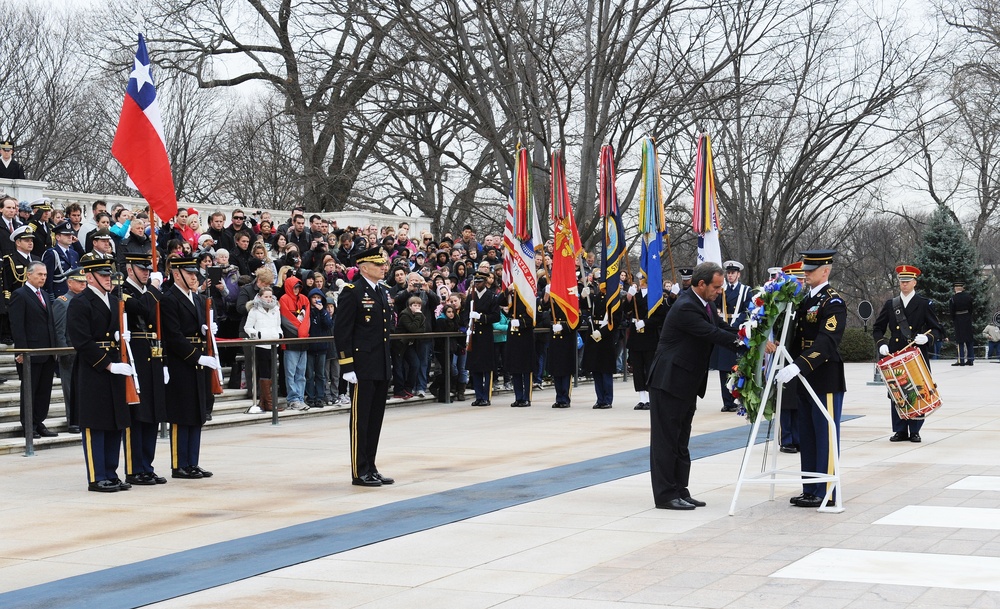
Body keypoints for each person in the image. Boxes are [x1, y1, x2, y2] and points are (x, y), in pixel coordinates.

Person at [647, 262, 740, 510]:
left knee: (680, 440)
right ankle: (666, 495)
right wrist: (747, 345)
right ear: (701, 284)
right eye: (716, 287)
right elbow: (712, 334)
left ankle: (680, 489)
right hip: (669, 382)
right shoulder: (686, 307)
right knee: (666, 441)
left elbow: (722, 327)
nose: (719, 291)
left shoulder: (704, 304)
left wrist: (748, 333)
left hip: (685, 383)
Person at [772, 249, 847, 509]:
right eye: (805, 270)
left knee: (824, 433)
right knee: (807, 433)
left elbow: (827, 341)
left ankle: (826, 490)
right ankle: (810, 488)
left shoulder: (833, 302)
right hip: (803, 375)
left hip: (823, 375)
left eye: (811, 270)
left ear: (825, 271)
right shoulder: (804, 299)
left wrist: (800, 365)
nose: (806, 274)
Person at [67, 255, 133, 492]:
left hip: (115, 366)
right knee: (96, 424)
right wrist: (108, 364)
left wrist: (122, 339)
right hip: (94, 369)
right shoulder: (80, 302)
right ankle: (97, 477)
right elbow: (81, 341)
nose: (109, 280)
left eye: (110, 276)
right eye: (104, 275)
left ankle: (111, 473)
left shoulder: (114, 301)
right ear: (89, 276)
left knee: (115, 421)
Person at [335, 246, 394, 487]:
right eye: (378, 264)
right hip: (361, 366)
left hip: (379, 364)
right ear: (363, 267)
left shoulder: (380, 291)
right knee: (361, 421)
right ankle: (360, 471)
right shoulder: (352, 291)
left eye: (383, 264)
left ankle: (371, 465)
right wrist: (347, 364)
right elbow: (341, 330)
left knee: (375, 419)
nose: (383, 267)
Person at [160, 256, 220, 480]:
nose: (195, 277)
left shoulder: (197, 298)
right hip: (182, 362)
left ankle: (192, 462)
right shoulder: (170, 299)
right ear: (177, 274)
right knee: (181, 414)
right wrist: (197, 357)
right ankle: (179, 464)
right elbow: (173, 336)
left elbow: (197, 328)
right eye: (190, 273)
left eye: (195, 273)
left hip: (198, 360)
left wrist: (207, 330)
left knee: (197, 413)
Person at [872, 265, 943, 444]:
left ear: (914, 282)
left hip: (916, 353)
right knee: (897, 391)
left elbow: (937, 328)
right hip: (895, 352)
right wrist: (881, 344)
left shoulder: (924, 303)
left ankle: (915, 430)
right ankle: (900, 430)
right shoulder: (891, 304)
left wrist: (927, 338)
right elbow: (878, 328)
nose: (904, 284)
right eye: (901, 281)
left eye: (907, 281)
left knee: (917, 389)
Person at [120, 253, 169, 485]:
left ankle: (147, 466)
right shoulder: (123, 291)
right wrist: (155, 288)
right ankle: (134, 468)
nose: (147, 273)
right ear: (130, 270)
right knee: (137, 417)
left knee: (152, 414)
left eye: (148, 270)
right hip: (136, 357)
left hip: (153, 355)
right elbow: (142, 309)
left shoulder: (147, 292)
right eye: (142, 269)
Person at [10, 260, 58, 439]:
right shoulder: (20, 295)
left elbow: (50, 324)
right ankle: (28, 424)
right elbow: (17, 325)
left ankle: (39, 422)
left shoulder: (45, 295)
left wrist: (54, 349)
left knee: (44, 390)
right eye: (39, 274)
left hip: (47, 352)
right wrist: (21, 351)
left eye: (45, 275)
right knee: (30, 390)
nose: (43, 278)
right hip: (30, 353)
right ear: (29, 274)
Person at [709, 261, 752, 412]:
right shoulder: (721, 290)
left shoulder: (746, 291)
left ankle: (738, 398)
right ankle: (727, 401)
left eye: (733, 273)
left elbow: (749, 310)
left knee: (737, 367)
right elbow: (713, 305)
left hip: (737, 329)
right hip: (723, 328)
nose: (730, 275)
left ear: (738, 274)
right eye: (728, 273)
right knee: (723, 368)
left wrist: (736, 323)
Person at [625, 271, 667, 410]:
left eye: (643, 279)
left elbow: (660, 317)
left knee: (649, 367)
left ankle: (650, 397)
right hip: (636, 336)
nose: (641, 281)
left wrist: (645, 323)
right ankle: (642, 397)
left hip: (649, 336)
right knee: (637, 368)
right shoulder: (635, 296)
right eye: (640, 279)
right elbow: (625, 310)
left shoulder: (655, 297)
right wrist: (629, 297)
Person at [53, 267, 87, 434]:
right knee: (69, 388)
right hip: (70, 352)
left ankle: (82, 418)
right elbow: (59, 330)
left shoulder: (85, 300)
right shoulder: (63, 302)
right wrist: (64, 352)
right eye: (79, 282)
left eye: (85, 282)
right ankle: (72, 421)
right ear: (69, 283)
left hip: (84, 352)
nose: (83, 285)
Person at [244, 285, 283, 413]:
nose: (268, 299)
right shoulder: (254, 310)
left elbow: (278, 325)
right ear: (260, 297)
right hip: (261, 344)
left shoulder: (276, 309)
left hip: (273, 343)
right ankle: (269, 402)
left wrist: (279, 334)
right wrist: (257, 335)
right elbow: (248, 327)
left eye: (270, 296)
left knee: (272, 372)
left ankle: (265, 401)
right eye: (266, 296)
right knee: (264, 372)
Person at [464, 271, 500, 406]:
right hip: (473, 334)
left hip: (485, 334)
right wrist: (467, 324)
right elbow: (465, 313)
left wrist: (481, 317)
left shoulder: (491, 297)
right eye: (476, 282)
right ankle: (478, 396)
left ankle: (486, 396)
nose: (477, 284)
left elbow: (495, 316)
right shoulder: (471, 297)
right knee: (475, 367)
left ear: (485, 283)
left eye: (479, 282)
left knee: (486, 367)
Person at [279, 275, 311, 411]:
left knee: (301, 373)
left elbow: (307, 317)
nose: (296, 289)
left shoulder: (304, 299)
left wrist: (303, 330)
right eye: (294, 287)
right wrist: (301, 329)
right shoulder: (284, 299)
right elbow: (286, 319)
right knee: (290, 372)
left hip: (303, 340)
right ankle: (292, 399)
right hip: (291, 341)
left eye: (298, 287)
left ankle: (300, 397)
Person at [504, 286, 536, 408]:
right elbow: (499, 302)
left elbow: (533, 318)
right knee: (515, 369)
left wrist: (521, 322)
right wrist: (508, 291)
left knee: (526, 369)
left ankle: (526, 397)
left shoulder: (529, 298)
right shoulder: (511, 296)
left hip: (525, 337)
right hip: (513, 336)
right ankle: (518, 397)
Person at [41, 220, 80, 297]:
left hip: (73, 293)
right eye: (66, 235)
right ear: (58, 237)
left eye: (70, 234)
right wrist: (50, 295)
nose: (70, 237)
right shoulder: (52, 253)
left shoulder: (74, 254)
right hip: (58, 295)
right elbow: (48, 278)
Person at [949, 281, 975, 366]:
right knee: (969, 340)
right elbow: (971, 308)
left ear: (955, 288)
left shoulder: (953, 298)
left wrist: (954, 319)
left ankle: (961, 360)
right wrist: (968, 316)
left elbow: (952, 311)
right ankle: (970, 360)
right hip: (967, 318)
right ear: (962, 288)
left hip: (958, 319)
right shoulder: (968, 297)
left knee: (960, 340)